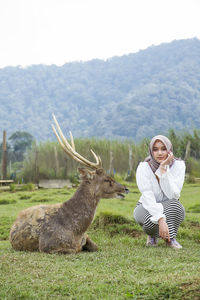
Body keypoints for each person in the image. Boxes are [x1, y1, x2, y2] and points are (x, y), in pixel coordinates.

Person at [133, 135, 185, 249]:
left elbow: (173, 195)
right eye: (155, 149)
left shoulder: (179, 166)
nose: (160, 153)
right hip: (146, 206)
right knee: (150, 221)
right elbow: (147, 196)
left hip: (168, 205)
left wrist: (163, 169)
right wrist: (160, 219)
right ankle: (153, 235)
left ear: (169, 150)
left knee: (177, 207)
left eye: (163, 148)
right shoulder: (143, 167)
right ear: (151, 151)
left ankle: (169, 239)